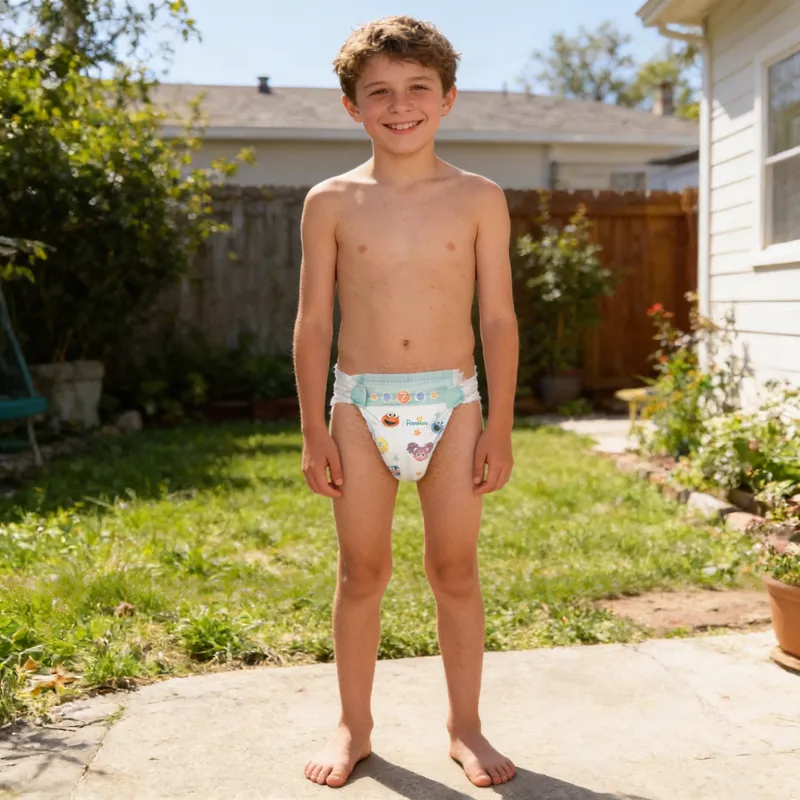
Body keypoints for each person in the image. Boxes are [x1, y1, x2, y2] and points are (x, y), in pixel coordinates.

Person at [293, 15, 519, 789]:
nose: (400, 104)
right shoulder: (330, 201)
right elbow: (313, 322)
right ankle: (354, 724)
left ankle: (466, 725)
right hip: (357, 407)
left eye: (418, 87)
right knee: (363, 573)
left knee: (454, 570)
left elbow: (497, 318)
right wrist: (313, 431)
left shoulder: (479, 198)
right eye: (378, 91)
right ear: (352, 106)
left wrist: (501, 424)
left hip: (454, 406)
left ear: (448, 99)